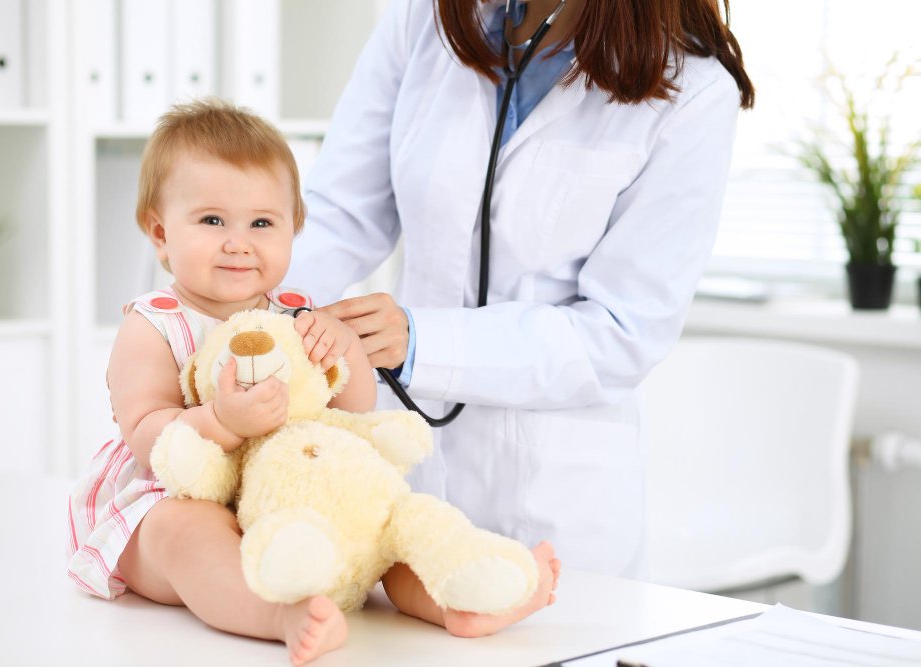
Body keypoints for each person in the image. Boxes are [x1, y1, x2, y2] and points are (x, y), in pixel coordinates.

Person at [66, 98, 560, 666]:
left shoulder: (297, 313)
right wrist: (221, 420)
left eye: (261, 223)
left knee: (377, 517)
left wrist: (343, 349)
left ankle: (457, 600)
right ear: (160, 233)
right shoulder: (154, 323)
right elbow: (145, 435)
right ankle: (277, 614)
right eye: (211, 221)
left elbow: (351, 413)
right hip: (176, 496)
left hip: (282, 494)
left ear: (293, 229)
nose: (238, 241)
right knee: (188, 531)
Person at [285, 0, 755, 579]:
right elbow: (339, 214)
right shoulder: (422, 22)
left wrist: (420, 340)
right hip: (402, 477)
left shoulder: (694, 91)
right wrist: (236, 306)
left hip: (549, 508)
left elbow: (621, 332)